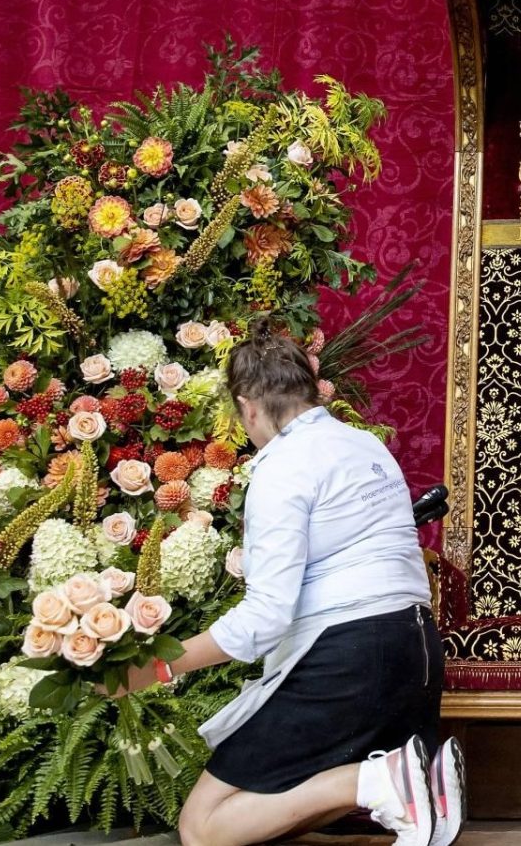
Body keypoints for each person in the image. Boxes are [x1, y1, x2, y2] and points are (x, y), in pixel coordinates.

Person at [113, 321, 464, 846]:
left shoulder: (282, 468)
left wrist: (157, 664)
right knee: (279, 815)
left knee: (203, 828)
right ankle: (422, 785)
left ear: (247, 407)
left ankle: (378, 779)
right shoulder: (365, 446)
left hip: (350, 657)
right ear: (307, 387)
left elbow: (265, 619)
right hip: (415, 649)